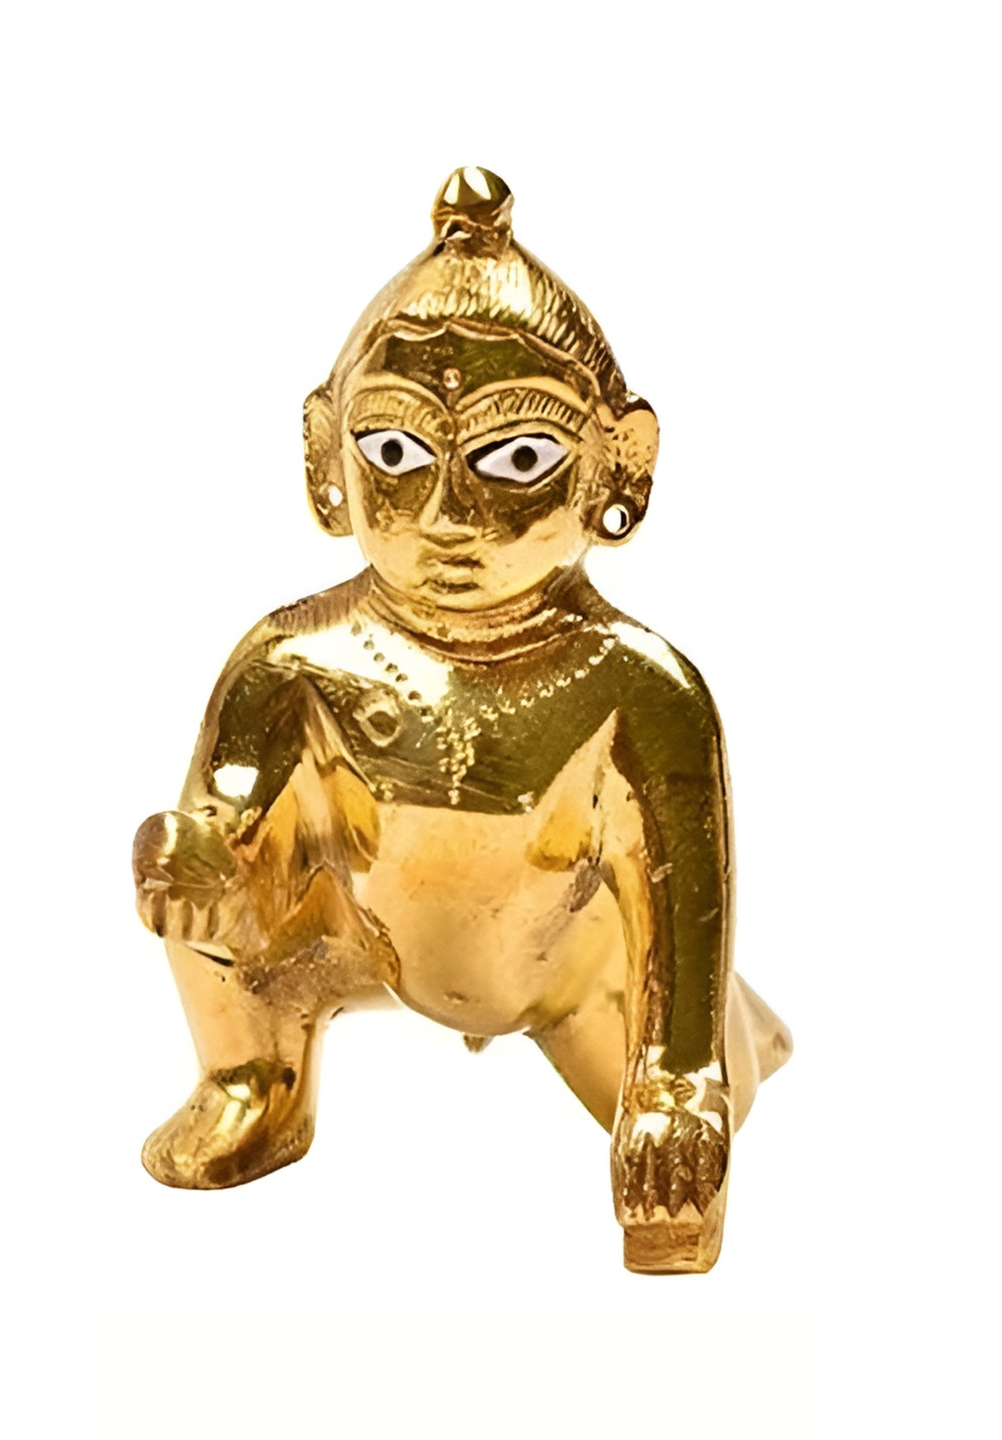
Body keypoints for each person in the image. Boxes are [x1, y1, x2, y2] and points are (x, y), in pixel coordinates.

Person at [133, 167, 791, 1273]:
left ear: (620, 471)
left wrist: (680, 1076)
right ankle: (253, 1079)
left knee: (685, 1116)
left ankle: (730, 1049)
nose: (449, 514)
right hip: (363, 942)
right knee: (216, 929)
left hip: (571, 969)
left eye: (517, 457)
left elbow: (681, 909)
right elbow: (232, 829)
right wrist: (192, 856)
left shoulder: (639, 689)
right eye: (394, 452)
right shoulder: (293, 661)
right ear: (325, 461)